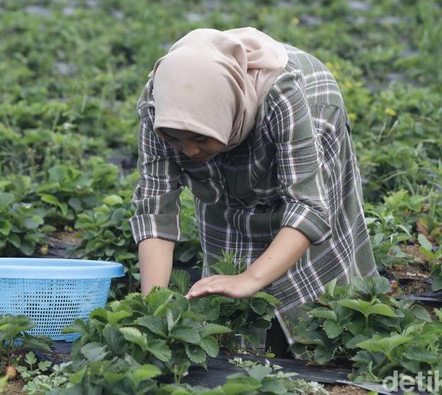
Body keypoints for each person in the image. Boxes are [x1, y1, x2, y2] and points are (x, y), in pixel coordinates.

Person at [128, 27, 378, 354]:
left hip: (308, 105)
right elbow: (154, 210)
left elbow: (309, 208)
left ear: (226, 114)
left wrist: (250, 279)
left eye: (199, 138)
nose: (189, 151)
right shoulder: (161, 107)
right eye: (176, 138)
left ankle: (322, 344)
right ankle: (243, 345)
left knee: (312, 274)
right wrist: (154, 311)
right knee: (227, 276)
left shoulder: (284, 95)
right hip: (223, 114)